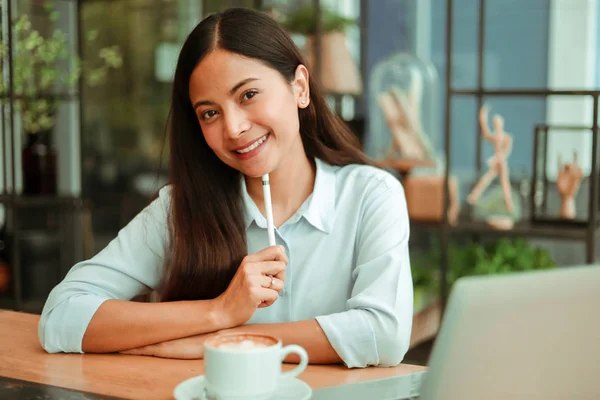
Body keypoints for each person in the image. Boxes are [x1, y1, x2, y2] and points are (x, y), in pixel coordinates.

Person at [38, 7, 413, 369]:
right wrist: (220, 310)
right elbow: (61, 316)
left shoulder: (370, 195)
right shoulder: (181, 210)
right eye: (209, 113)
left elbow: (384, 334)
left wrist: (220, 342)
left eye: (248, 95)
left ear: (299, 87)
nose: (233, 128)